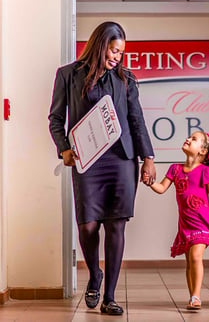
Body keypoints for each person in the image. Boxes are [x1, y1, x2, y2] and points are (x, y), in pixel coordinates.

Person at [48, 21, 156, 316]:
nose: (117, 57)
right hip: (87, 161)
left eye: (121, 53)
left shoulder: (126, 79)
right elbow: (56, 119)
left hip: (121, 160)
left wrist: (148, 157)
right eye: (114, 50)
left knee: (116, 224)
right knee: (88, 225)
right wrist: (64, 149)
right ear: (100, 44)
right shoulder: (67, 75)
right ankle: (95, 274)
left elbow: (137, 120)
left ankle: (109, 295)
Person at [145, 131, 209, 310]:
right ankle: (192, 295)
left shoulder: (205, 171)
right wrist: (149, 182)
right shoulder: (175, 169)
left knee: (196, 256)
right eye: (189, 137)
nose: (188, 139)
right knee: (190, 261)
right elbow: (161, 188)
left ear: (203, 151)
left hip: (203, 223)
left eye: (194, 139)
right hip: (185, 225)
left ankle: (196, 296)